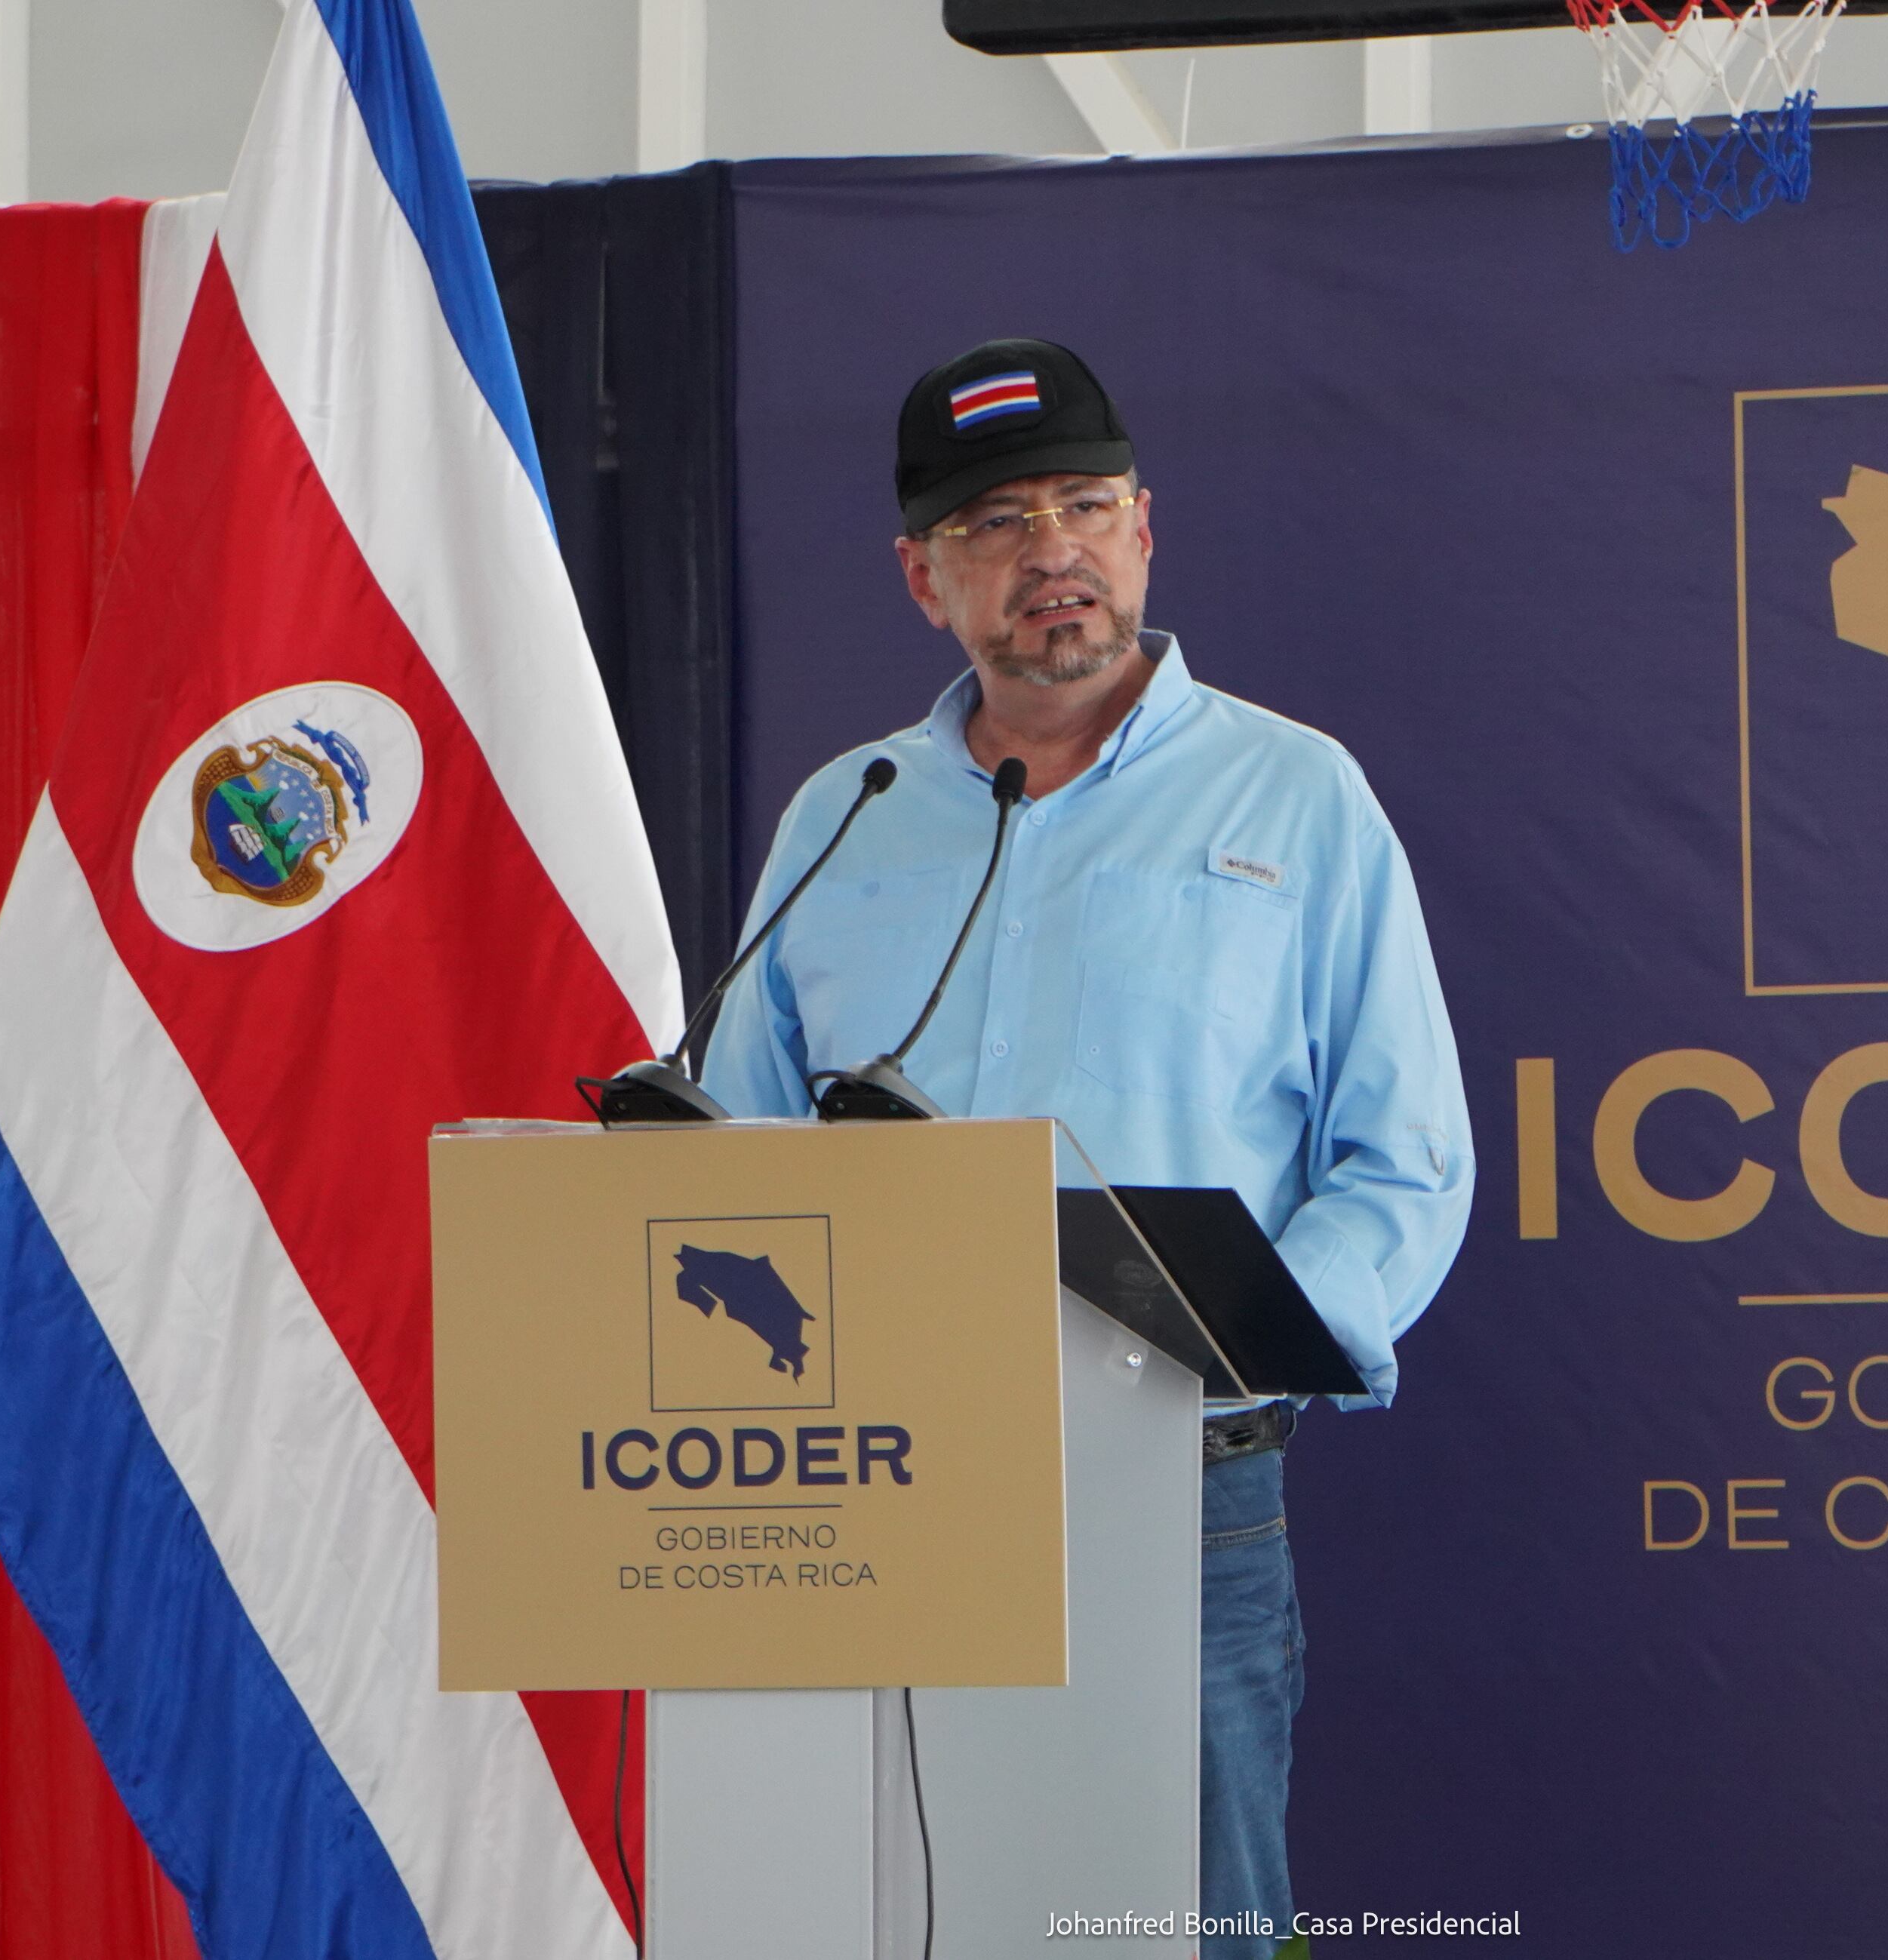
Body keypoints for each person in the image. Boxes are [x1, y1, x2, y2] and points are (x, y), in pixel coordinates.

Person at [701, 337, 1474, 1958]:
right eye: (991, 522)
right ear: (923, 578)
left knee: (1184, 1930)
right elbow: (740, 1158)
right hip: (866, 1489)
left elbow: (1405, 1161)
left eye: (1082, 504)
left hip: (1170, 1491)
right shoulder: (845, 813)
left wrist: (1244, 1333)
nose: (1047, 548)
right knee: (897, 1920)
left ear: (1143, 529)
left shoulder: (1296, 795)